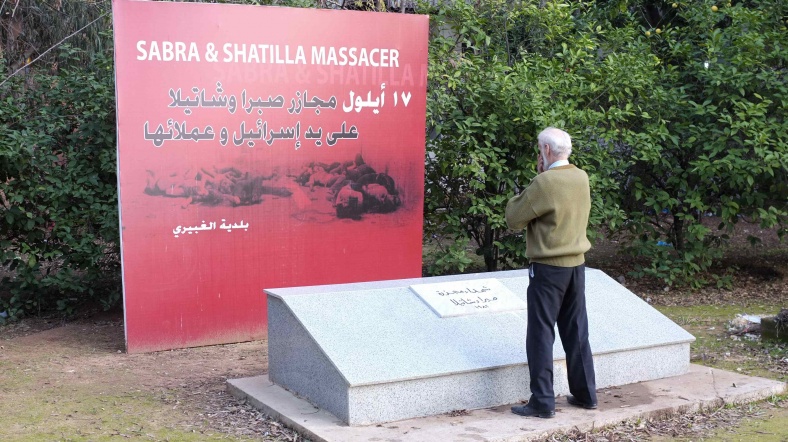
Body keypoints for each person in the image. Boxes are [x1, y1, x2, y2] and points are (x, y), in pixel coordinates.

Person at [505, 127, 597, 419]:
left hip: (548, 269)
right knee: (576, 331)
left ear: (545, 151)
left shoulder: (545, 183)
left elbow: (513, 219)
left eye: (538, 150)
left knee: (541, 334)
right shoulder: (581, 177)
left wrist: (524, 191)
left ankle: (543, 401)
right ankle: (586, 395)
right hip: (577, 266)